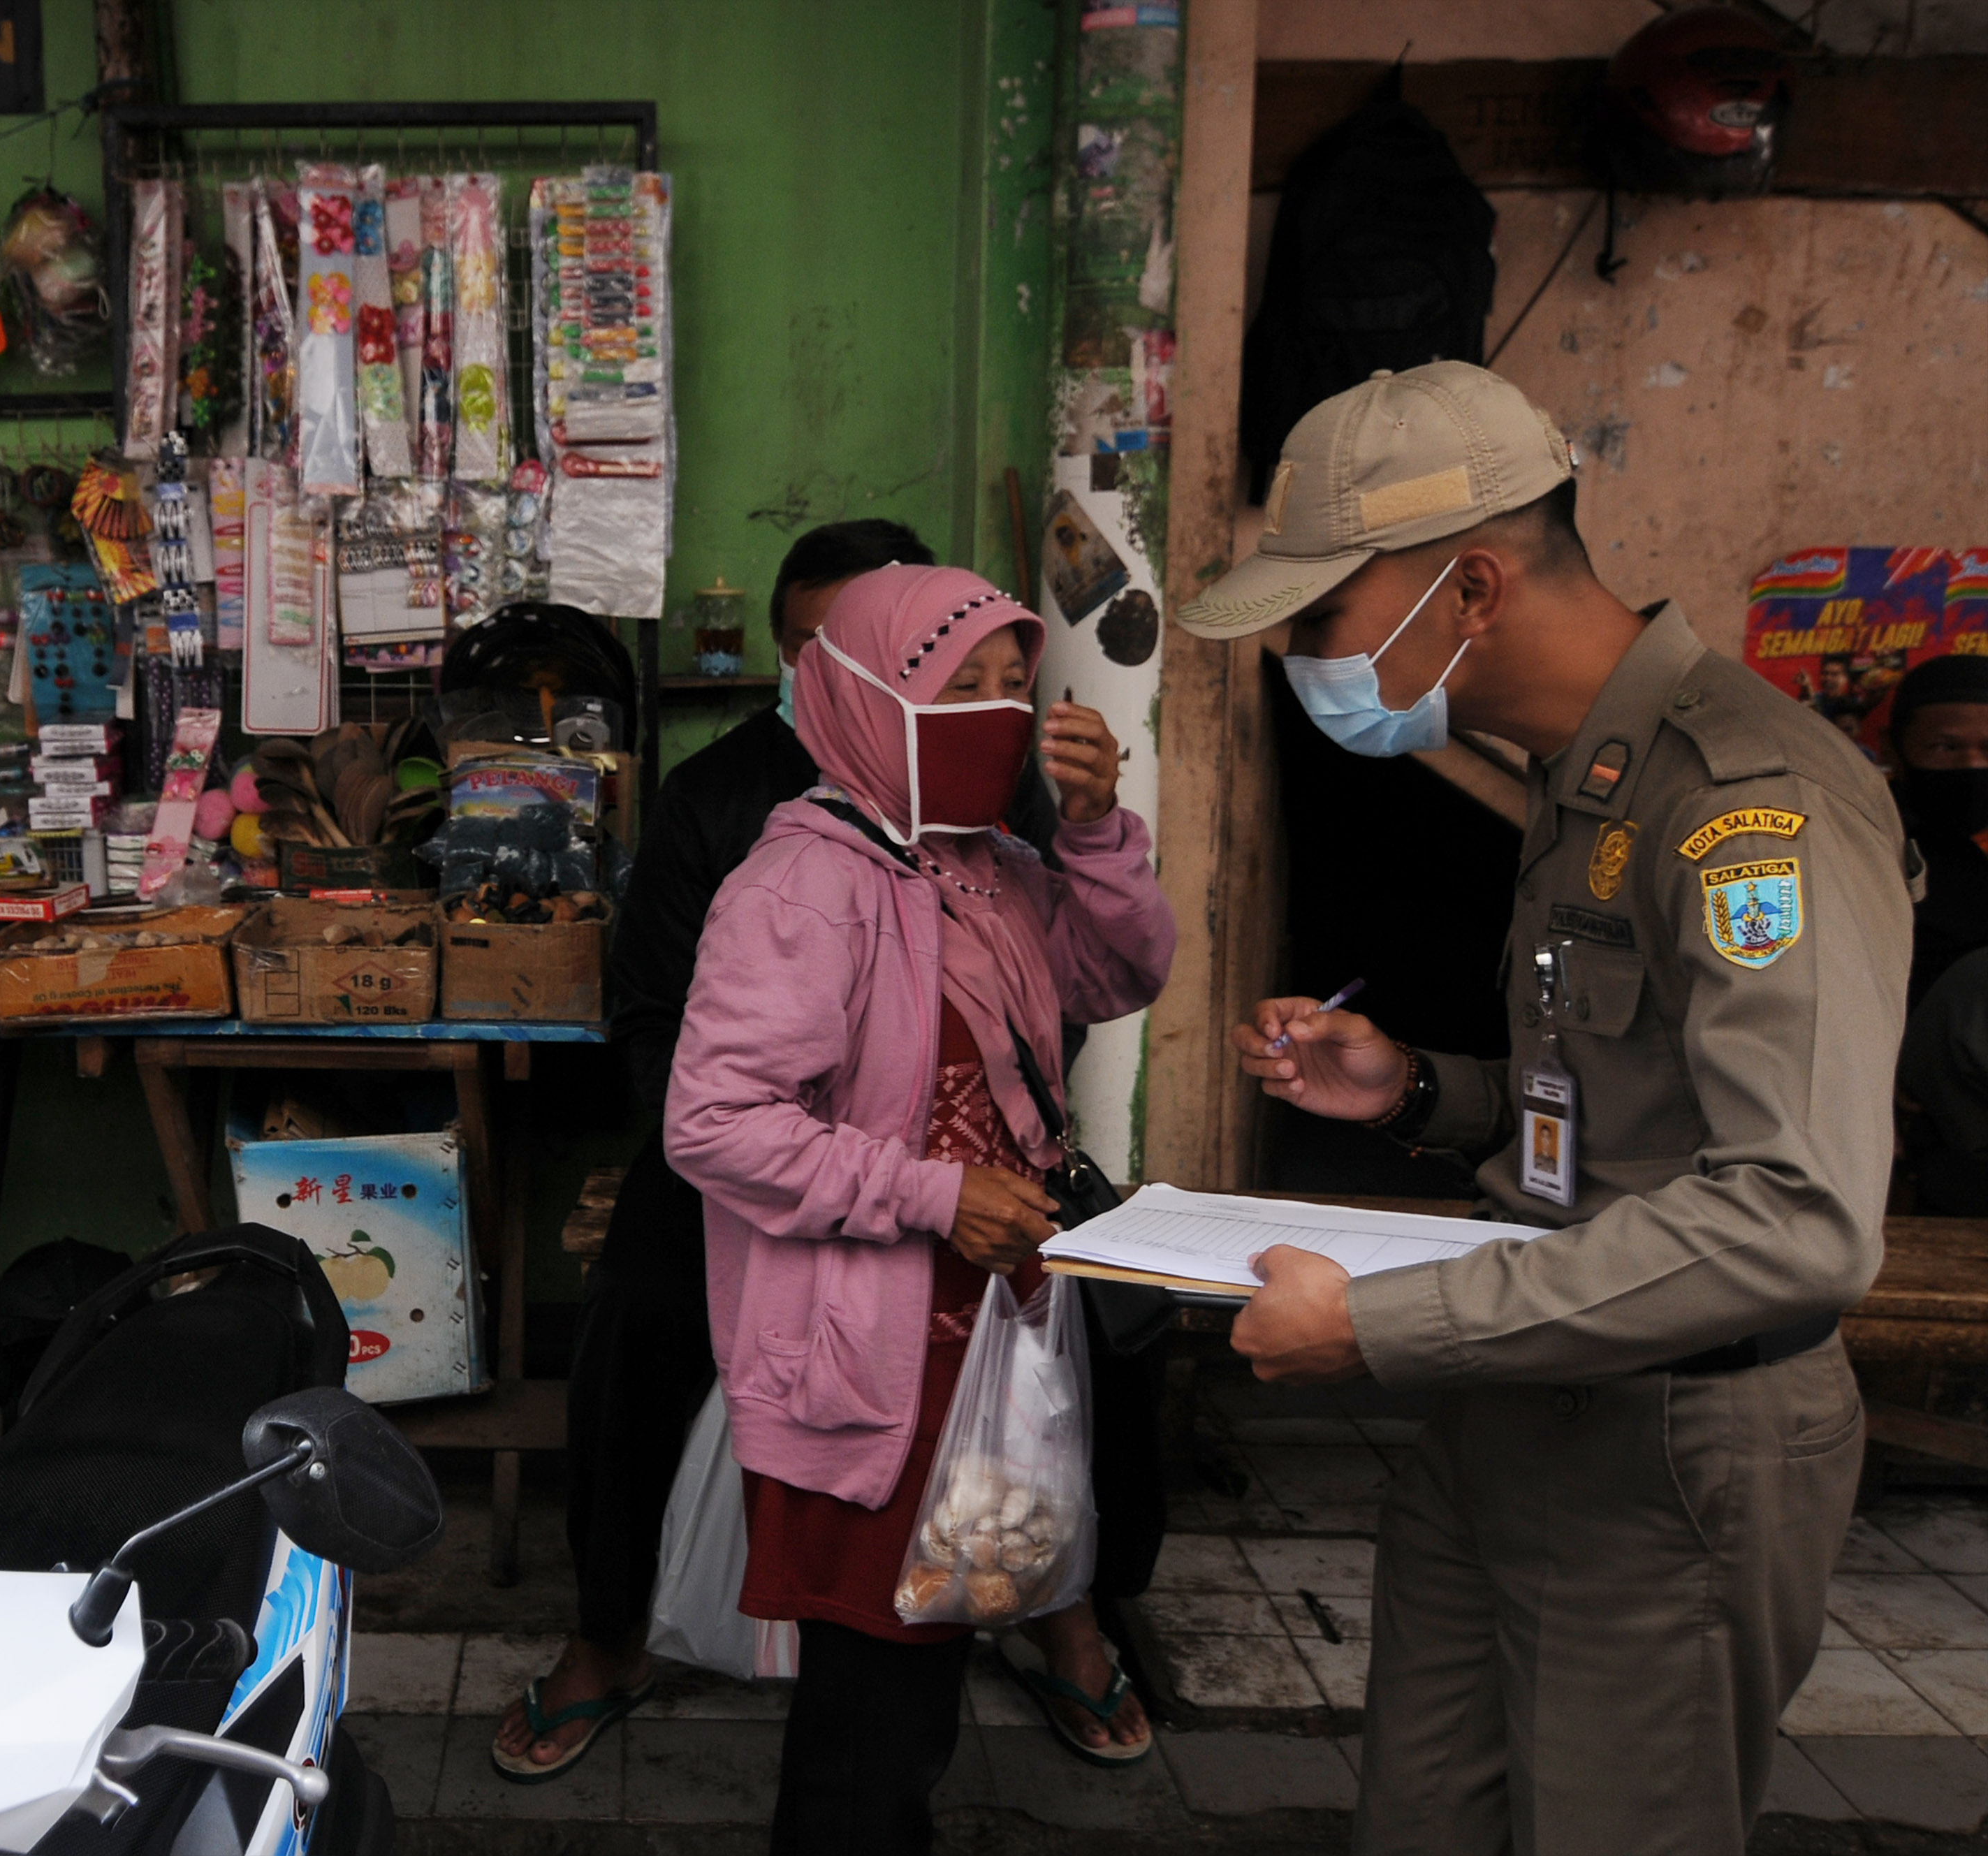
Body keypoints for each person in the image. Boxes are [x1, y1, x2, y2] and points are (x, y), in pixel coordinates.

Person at [1185, 362, 1913, 1855]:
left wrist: (1377, 1327)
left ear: (1464, 585)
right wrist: (1420, 1091)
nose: (1302, 661)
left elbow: (1796, 1215)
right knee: (1424, 1814)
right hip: (1518, 1394)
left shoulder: (1742, 801)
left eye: (1319, 619)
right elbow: (1627, 1109)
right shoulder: (1586, 779)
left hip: (1668, 1437)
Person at [668, 564, 1176, 1852]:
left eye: (1019, 688)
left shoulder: (995, 869)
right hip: (870, 1364)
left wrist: (1098, 826)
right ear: (870, 698)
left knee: (925, 1672)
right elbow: (716, 1125)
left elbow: (1120, 973)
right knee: (872, 1706)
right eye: (964, 690)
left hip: (985, 1346)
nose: (1004, 716)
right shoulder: (803, 885)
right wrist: (933, 1193)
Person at [490, 518, 940, 1784]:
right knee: (635, 1321)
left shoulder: (977, 793)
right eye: (804, 645)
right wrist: (758, 1157)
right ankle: (610, 1632)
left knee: (1077, 1314)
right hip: (740, 1156)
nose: (825, 667)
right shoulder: (720, 794)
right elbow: (650, 1019)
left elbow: (1048, 999)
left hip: (940, 1156)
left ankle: (1063, 1606)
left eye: (852, 640)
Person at [1885, 654, 1988, 1211]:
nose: (1972, 766)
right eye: (1946, 748)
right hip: (1921, 1111)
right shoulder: (1870, 842)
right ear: (1893, 751)